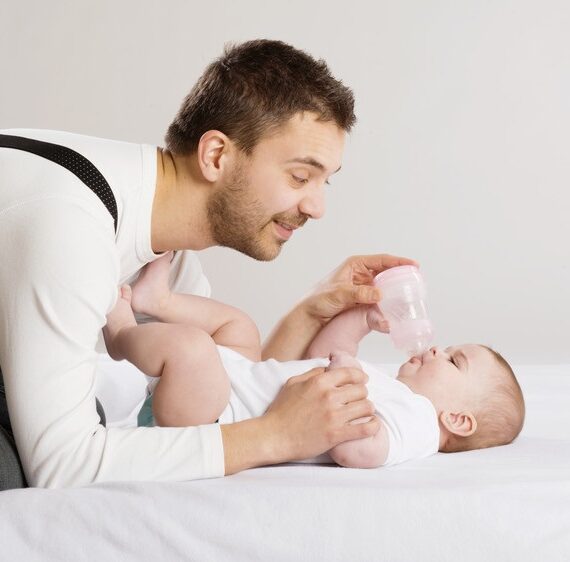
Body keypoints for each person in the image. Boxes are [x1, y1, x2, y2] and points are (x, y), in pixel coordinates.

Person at [0, 39, 417, 489]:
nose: (317, 207)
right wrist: (273, 438)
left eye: (323, 183)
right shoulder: (72, 225)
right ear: (216, 155)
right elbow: (64, 465)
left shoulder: (163, 247)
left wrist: (311, 310)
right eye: (300, 176)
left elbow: (229, 390)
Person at [104, 253, 526, 468]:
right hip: (236, 383)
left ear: (458, 420)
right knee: (240, 327)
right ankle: (156, 301)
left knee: (193, 348)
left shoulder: (417, 427)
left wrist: (345, 374)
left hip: (211, 419)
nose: (437, 350)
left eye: (453, 362)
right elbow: (318, 357)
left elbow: (358, 451)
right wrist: (361, 321)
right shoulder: (397, 392)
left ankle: (122, 335)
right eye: (448, 348)